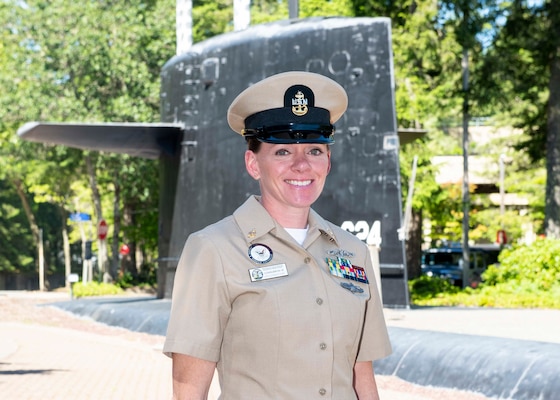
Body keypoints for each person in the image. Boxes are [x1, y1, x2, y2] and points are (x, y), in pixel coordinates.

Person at [163, 71, 392, 399]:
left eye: (314, 150)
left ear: (328, 161)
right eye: (283, 152)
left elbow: (362, 374)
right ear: (253, 164)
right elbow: (188, 388)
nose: (301, 165)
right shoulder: (213, 249)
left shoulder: (352, 251)